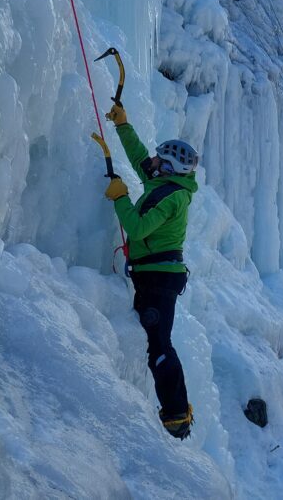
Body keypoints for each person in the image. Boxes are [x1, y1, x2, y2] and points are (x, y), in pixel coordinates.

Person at [104, 102, 199, 439]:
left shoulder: (171, 197)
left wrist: (120, 197)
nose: (153, 161)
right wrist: (122, 125)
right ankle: (176, 411)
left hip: (159, 279)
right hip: (157, 276)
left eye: (160, 158)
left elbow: (137, 226)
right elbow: (140, 158)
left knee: (159, 345)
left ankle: (176, 416)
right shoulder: (166, 184)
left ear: (169, 167)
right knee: (157, 342)